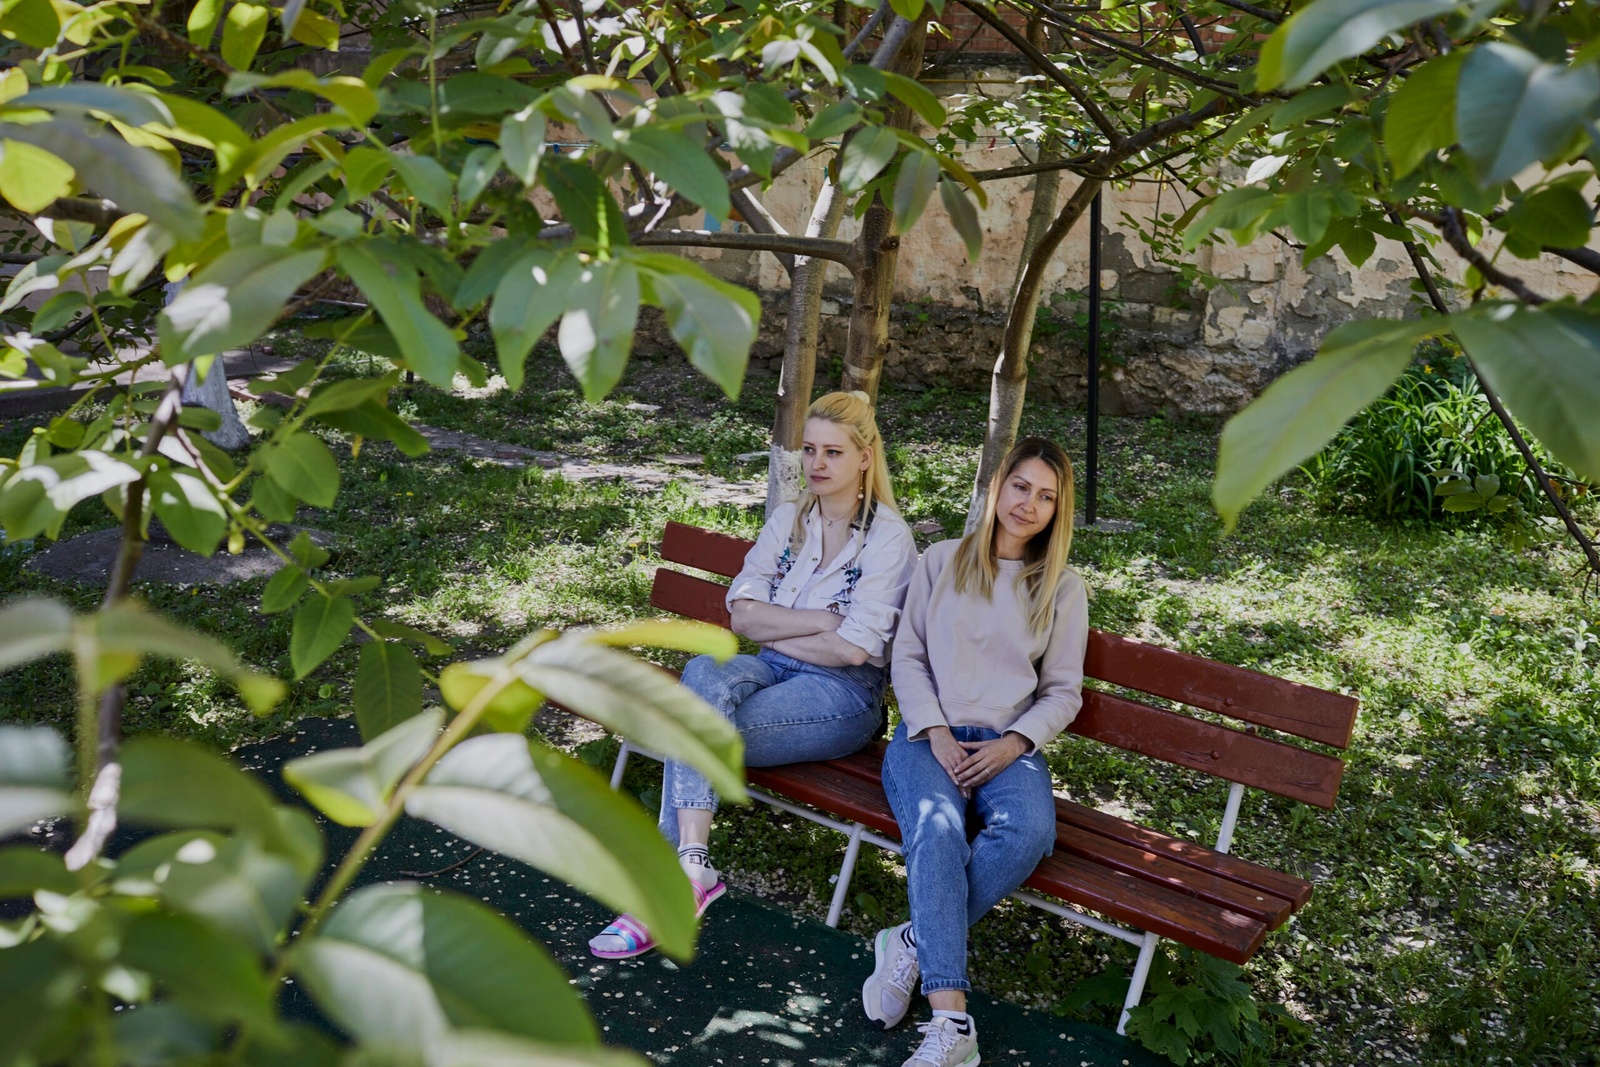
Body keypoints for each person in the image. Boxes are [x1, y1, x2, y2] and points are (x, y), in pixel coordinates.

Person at [590, 390, 918, 959]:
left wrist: (780, 626)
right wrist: (818, 619)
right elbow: (741, 613)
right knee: (702, 672)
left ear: (865, 458)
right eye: (811, 449)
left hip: (841, 697)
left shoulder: (889, 539)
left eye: (833, 453)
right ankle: (692, 863)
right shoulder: (791, 518)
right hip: (769, 668)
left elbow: (853, 652)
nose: (817, 464)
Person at [861, 437, 1088, 1067]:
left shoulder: (1062, 589)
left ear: (1057, 511)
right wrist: (932, 729)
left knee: (1029, 832)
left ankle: (912, 940)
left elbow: (1064, 692)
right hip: (925, 736)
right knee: (937, 834)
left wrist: (1016, 742)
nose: (1029, 505)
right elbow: (905, 655)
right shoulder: (941, 561)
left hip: (1007, 747)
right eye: (1021, 487)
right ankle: (952, 1025)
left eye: (1047, 497)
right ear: (998, 487)